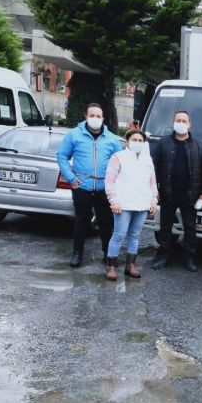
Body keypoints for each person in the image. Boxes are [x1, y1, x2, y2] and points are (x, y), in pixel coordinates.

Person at [57, 103, 122, 268]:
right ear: (86, 116)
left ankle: (108, 253)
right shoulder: (74, 135)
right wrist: (71, 178)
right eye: (92, 115)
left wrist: (115, 183)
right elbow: (62, 156)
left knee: (106, 222)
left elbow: (121, 162)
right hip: (82, 186)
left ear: (103, 119)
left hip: (103, 188)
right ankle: (77, 254)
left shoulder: (112, 139)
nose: (95, 119)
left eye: (98, 116)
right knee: (81, 221)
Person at [150, 110, 202, 272]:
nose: (181, 123)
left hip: (190, 195)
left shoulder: (199, 146)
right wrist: (153, 190)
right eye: (178, 120)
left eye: (184, 121)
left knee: (190, 227)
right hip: (168, 193)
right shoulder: (163, 143)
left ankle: (189, 257)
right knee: (165, 226)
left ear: (189, 124)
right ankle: (163, 256)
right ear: (173, 122)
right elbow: (153, 167)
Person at [103, 129, 158, 280]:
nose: (137, 143)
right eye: (134, 139)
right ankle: (111, 266)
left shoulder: (148, 160)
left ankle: (131, 265)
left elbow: (152, 184)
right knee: (119, 234)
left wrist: (153, 201)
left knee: (134, 235)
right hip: (123, 204)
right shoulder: (118, 157)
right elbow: (109, 181)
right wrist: (114, 201)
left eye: (140, 140)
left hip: (141, 204)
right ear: (127, 141)